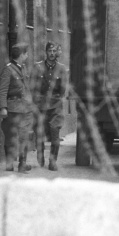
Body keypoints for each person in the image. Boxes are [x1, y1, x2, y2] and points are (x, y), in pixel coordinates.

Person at [31, 41, 68, 171]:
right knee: (39, 132)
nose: (51, 54)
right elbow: (33, 86)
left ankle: (53, 161)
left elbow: (63, 89)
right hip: (40, 105)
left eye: (54, 51)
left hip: (55, 106)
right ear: (46, 52)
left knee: (55, 132)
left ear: (57, 53)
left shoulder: (62, 68)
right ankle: (40, 154)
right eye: (49, 51)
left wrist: (56, 99)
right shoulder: (38, 67)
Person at [0, 42, 34, 172]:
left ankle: (22, 164)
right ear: (22, 55)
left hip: (25, 109)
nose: (27, 56)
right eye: (26, 53)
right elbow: (2, 90)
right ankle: (9, 164)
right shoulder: (8, 69)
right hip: (12, 109)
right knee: (10, 136)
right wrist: (3, 107)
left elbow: (26, 88)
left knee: (24, 136)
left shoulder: (23, 68)